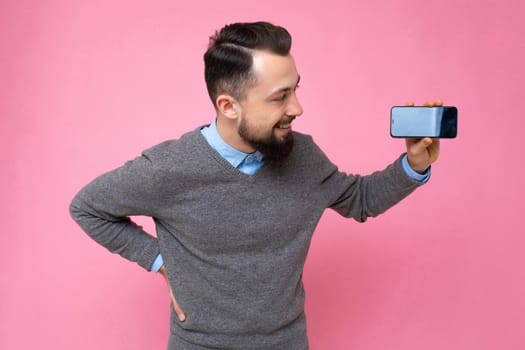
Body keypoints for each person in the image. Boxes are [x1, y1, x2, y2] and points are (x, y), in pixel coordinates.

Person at [70, 21, 442, 350]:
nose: (297, 108)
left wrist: (413, 165)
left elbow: (360, 200)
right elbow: (87, 208)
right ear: (229, 106)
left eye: (295, 90)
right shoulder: (168, 169)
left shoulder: (304, 156)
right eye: (280, 96)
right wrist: (161, 262)